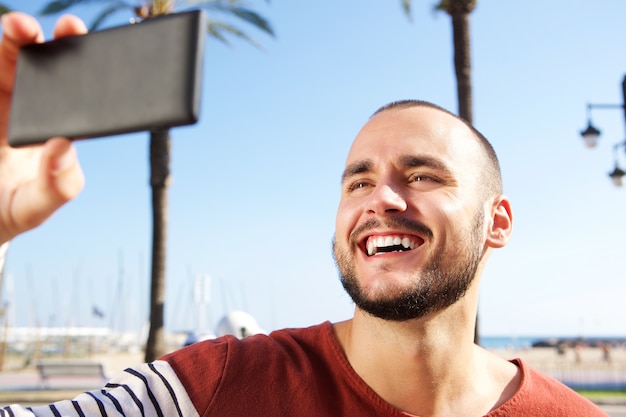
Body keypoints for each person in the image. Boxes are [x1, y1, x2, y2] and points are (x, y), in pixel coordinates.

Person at [0, 12, 608, 417]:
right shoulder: (211, 389)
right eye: (359, 182)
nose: (381, 199)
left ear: (497, 221)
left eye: (421, 175)